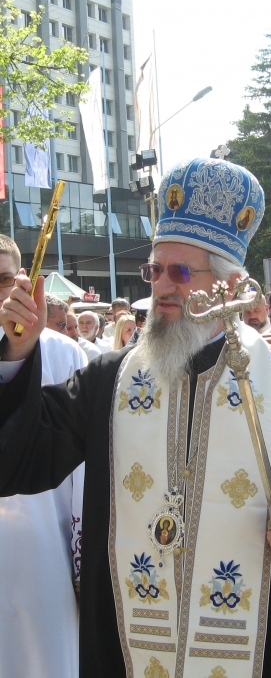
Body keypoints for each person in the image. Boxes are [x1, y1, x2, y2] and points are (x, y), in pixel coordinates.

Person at [0, 158, 271, 678]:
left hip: (252, 643)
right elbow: (19, 459)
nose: (161, 287)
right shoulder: (109, 379)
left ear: (229, 284)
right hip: (131, 646)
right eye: (155, 270)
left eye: (180, 273)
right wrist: (14, 356)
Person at [0, 234, 86, 678]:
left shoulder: (63, 351)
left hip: (43, 550)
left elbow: (83, 468)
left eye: (3, 280)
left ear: (23, 280)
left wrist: (83, 561)